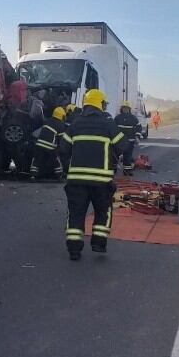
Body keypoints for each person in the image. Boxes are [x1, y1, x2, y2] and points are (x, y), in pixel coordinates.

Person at [59, 89, 126, 261]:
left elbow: (63, 149)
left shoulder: (75, 124)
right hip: (102, 181)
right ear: (101, 104)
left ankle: (74, 249)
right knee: (103, 211)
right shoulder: (108, 124)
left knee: (76, 213)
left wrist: (68, 168)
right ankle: (98, 243)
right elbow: (123, 146)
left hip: (76, 180)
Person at [30, 107, 67, 180]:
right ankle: (59, 176)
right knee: (56, 161)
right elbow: (61, 139)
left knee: (36, 160)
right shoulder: (60, 125)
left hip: (39, 144)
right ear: (62, 116)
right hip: (50, 146)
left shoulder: (47, 121)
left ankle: (33, 175)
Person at [114, 100, 142, 175]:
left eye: (126, 108)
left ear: (129, 109)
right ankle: (113, 169)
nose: (125, 109)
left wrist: (137, 136)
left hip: (130, 141)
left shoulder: (133, 118)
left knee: (128, 156)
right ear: (121, 109)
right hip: (119, 141)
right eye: (124, 108)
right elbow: (113, 129)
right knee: (115, 155)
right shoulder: (117, 118)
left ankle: (127, 170)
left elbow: (138, 127)